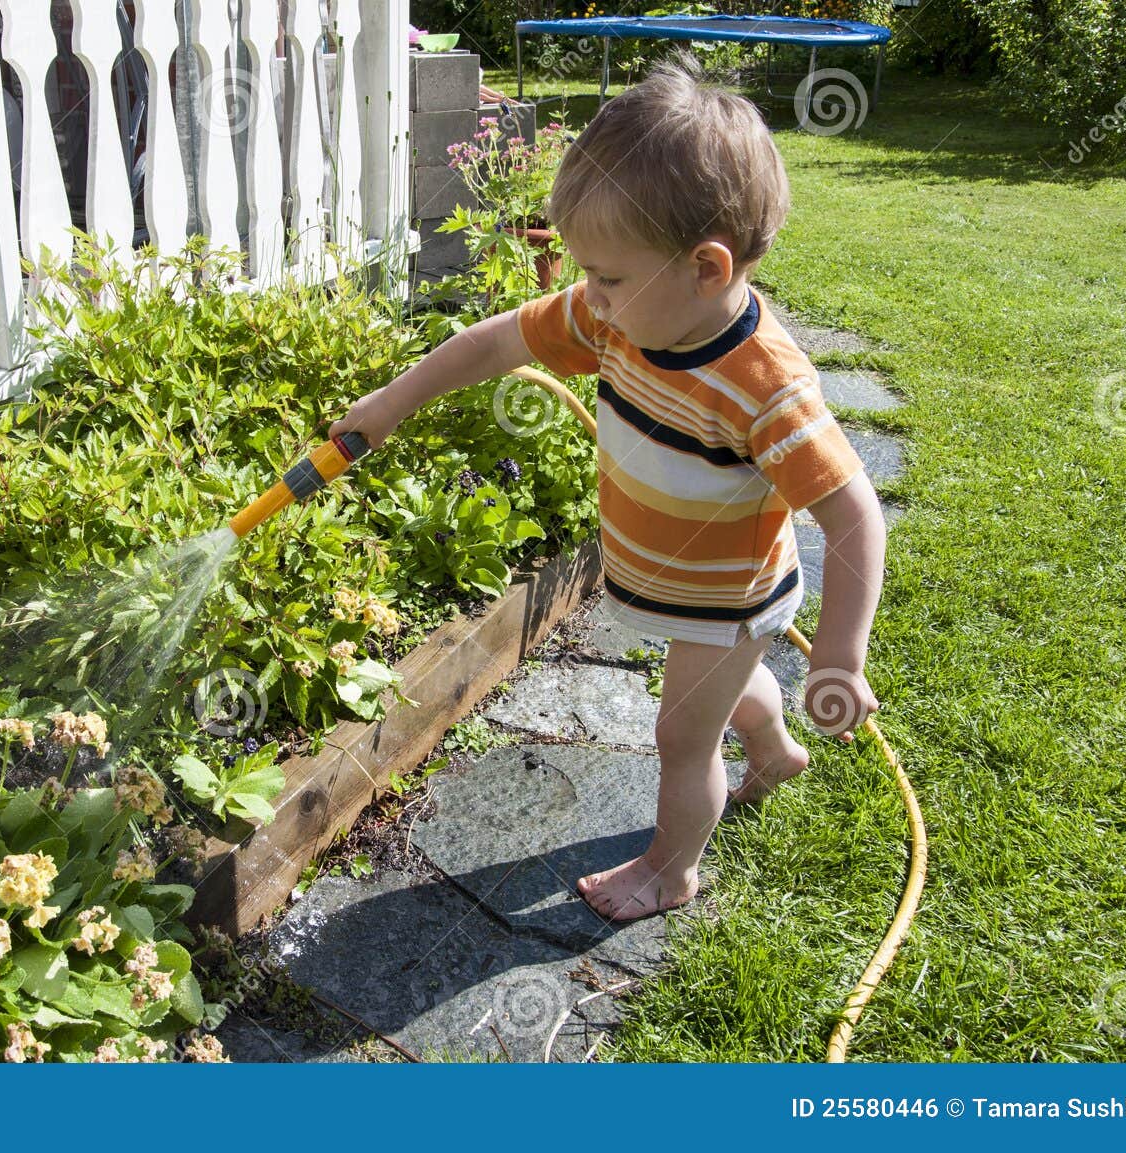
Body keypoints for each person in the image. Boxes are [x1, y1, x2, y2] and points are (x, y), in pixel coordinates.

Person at [328, 49, 886, 924]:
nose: (588, 293)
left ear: (707, 269)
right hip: (667, 579)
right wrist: (394, 401)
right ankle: (774, 750)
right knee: (727, 687)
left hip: (725, 595)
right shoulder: (617, 315)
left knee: (679, 736)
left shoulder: (766, 386)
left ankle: (671, 868)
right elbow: (496, 342)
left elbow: (853, 513)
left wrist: (840, 657)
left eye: (610, 275)